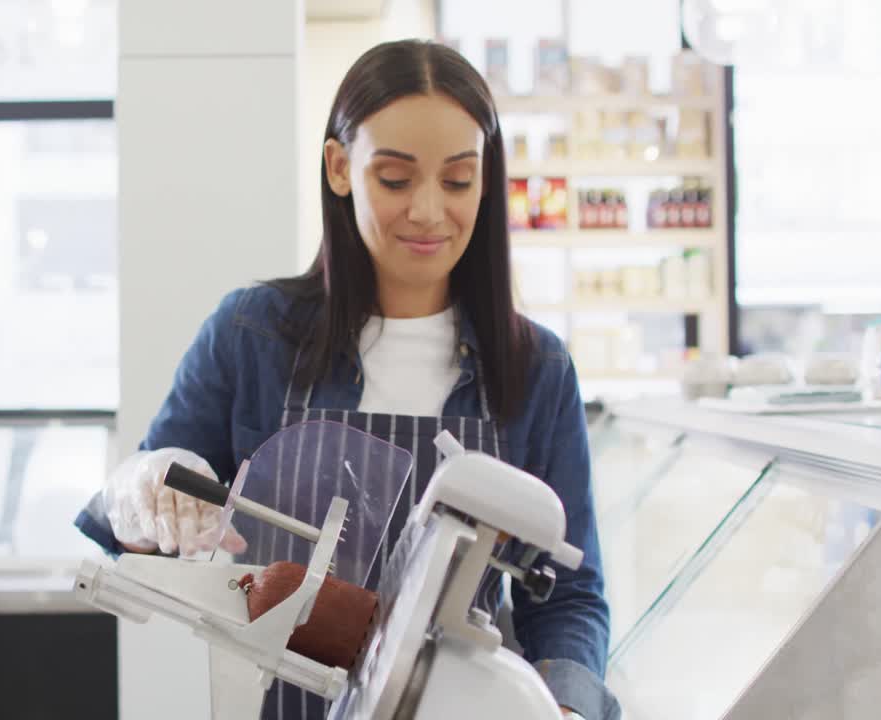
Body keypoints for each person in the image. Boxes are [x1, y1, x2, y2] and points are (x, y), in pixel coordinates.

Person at [75, 39, 620, 720]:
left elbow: (568, 596)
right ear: (340, 168)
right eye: (395, 179)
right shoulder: (253, 335)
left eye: (457, 181)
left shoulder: (536, 371)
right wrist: (145, 484)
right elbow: (124, 521)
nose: (428, 211)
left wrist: (565, 708)